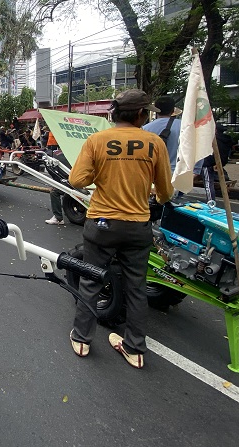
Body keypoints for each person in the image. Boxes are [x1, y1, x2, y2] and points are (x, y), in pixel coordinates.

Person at [69, 89, 173, 369]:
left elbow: (77, 180)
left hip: (102, 224)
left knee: (91, 281)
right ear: (141, 114)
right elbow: (165, 192)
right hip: (138, 225)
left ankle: (81, 340)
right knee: (136, 288)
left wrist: (101, 175)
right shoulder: (154, 143)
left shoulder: (97, 140)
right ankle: (135, 349)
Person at [142, 96, 182, 172]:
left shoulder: (145, 129)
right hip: (178, 172)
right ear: (173, 110)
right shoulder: (183, 126)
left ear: (155, 110)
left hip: (155, 172)